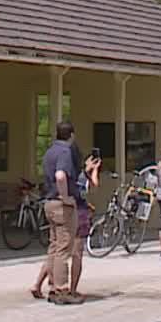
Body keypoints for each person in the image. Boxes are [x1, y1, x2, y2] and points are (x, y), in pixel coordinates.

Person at [33, 145, 101, 299]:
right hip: (78, 212)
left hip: (55, 206)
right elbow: (93, 187)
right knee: (75, 253)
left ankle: (41, 283)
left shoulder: (67, 171)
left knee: (55, 249)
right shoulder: (81, 175)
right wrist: (94, 170)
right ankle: (69, 289)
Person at [37, 120, 84, 304]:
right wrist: (65, 197)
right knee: (64, 248)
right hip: (60, 204)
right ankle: (62, 290)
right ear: (71, 135)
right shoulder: (65, 152)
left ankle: (51, 286)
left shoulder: (49, 152)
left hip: (48, 202)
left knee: (54, 247)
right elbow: (60, 175)